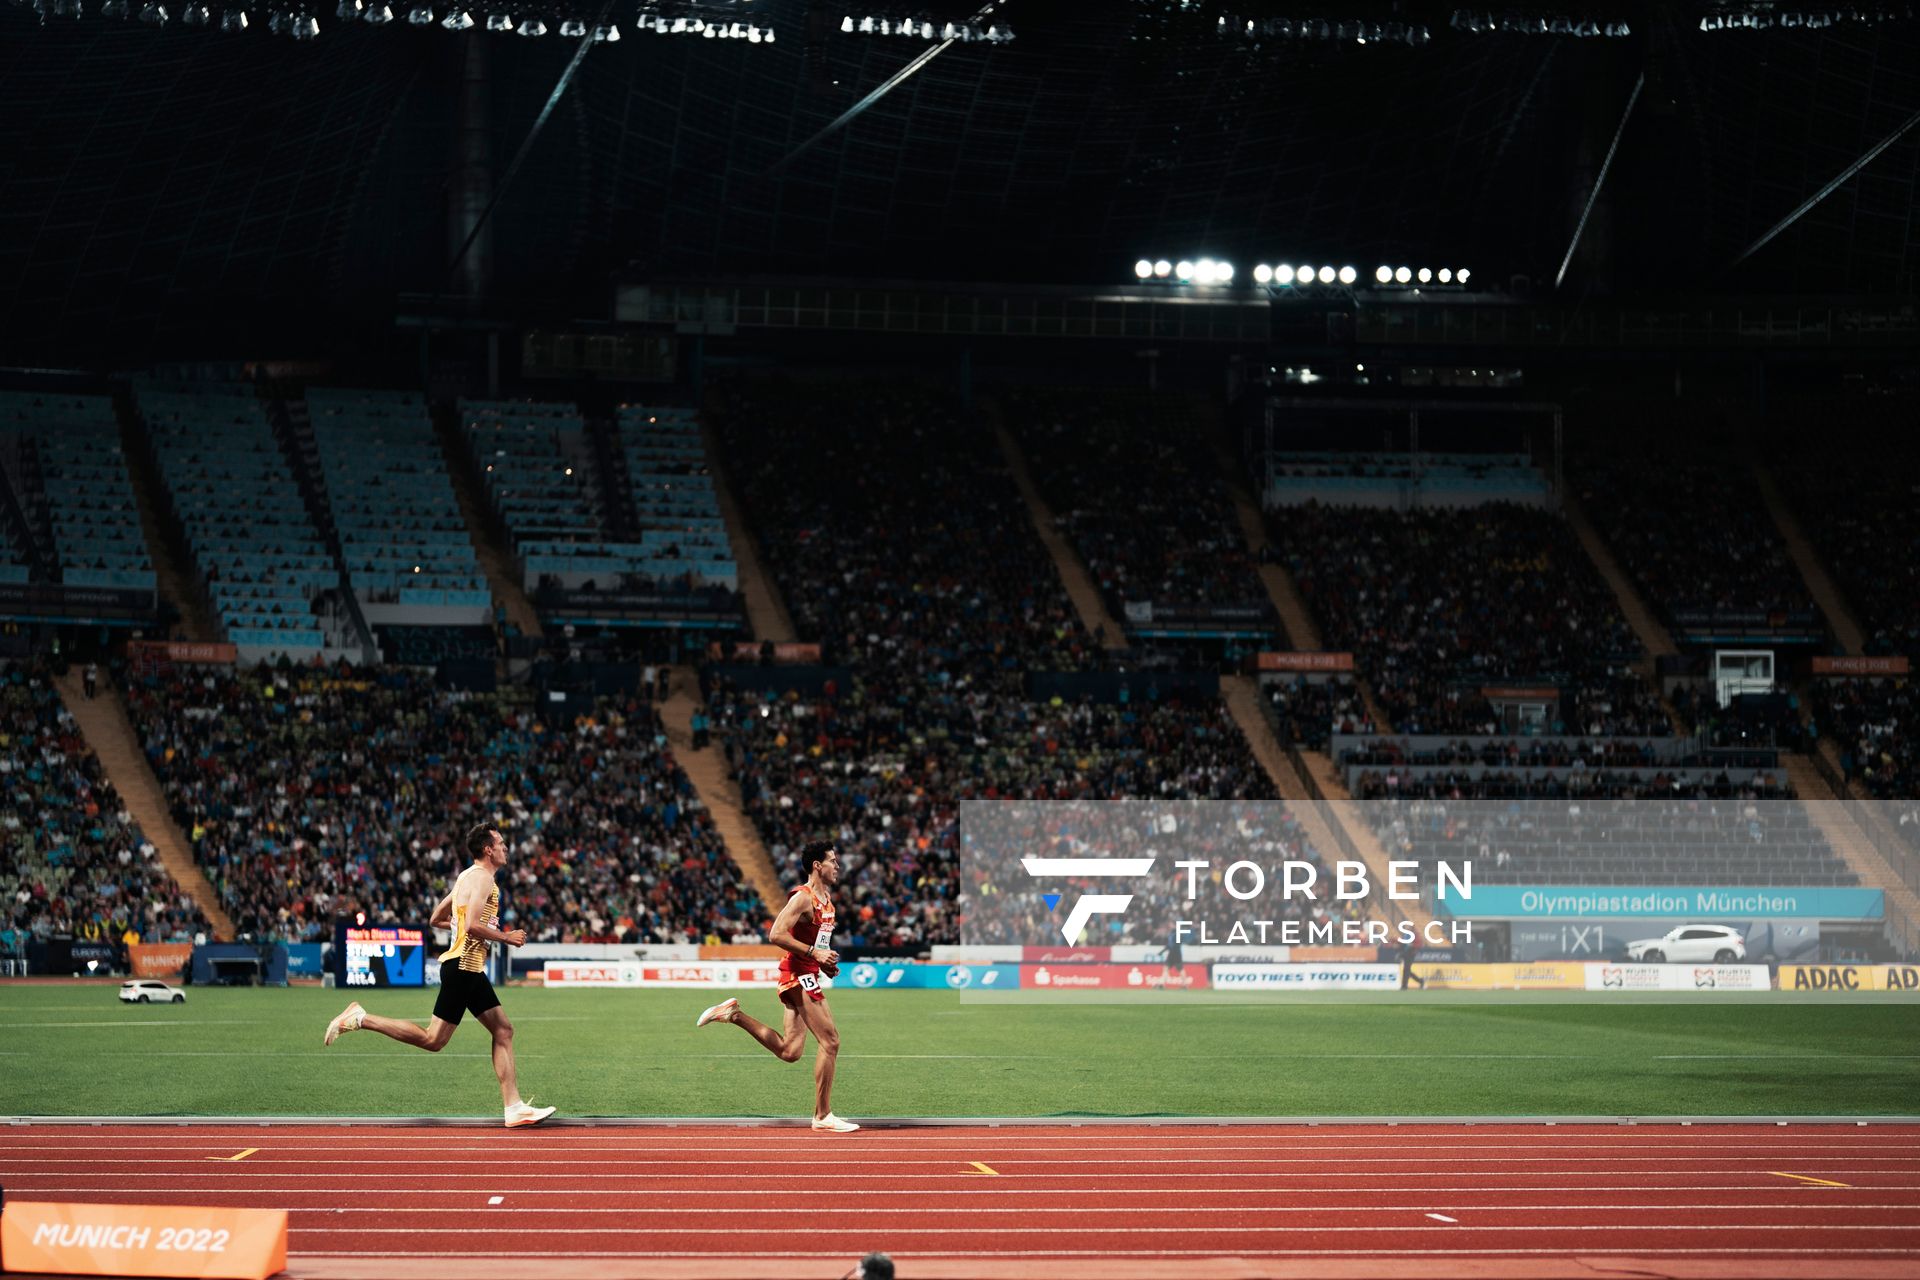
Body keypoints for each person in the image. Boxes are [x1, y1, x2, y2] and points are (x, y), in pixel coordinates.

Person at [322, 824, 555, 1129]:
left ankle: (514, 1107)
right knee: (433, 1039)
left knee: (504, 1030)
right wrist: (506, 936)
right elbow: (471, 924)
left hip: (468, 967)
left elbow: (435, 919)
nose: (505, 847)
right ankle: (360, 1018)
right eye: (500, 843)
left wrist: (462, 929)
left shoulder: (464, 878)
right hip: (462, 967)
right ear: (488, 849)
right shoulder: (483, 879)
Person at [695, 839, 857, 1132]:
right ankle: (823, 1116)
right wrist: (813, 955)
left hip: (806, 971)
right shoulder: (803, 897)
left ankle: (734, 1014)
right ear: (817, 866)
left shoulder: (827, 900)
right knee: (830, 1041)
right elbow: (775, 934)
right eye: (833, 860)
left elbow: (816, 944)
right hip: (798, 973)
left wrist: (824, 961)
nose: (838, 865)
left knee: (790, 1051)